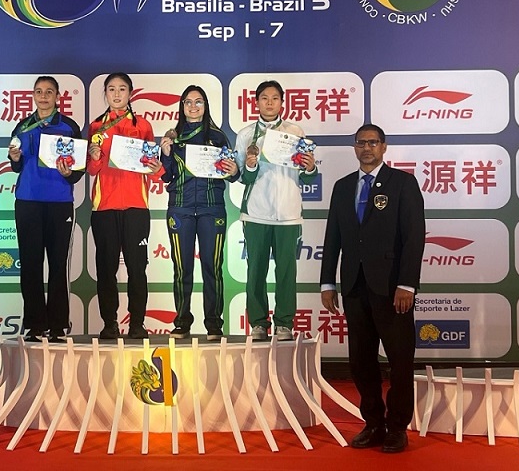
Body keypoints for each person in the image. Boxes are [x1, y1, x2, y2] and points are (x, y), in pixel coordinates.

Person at [320, 124, 425, 454]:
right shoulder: (343, 187)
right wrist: (327, 282)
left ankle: (397, 427)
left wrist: (407, 284)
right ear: (355, 148)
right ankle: (374, 423)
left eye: (373, 142)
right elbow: (333, 237)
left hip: (392, 288)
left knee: (400, 361)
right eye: (361, 143)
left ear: (384, 147)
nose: (367, 148)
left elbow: (414, 237)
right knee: (361, 361)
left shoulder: (403, 183)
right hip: (354, 286)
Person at [234, 80, 317, 341]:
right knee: (255, 271)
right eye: (264, 98)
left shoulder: (295, 132)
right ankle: (258, 323)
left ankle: (284, 324)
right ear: (256, 102)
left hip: (288, 213)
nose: (269, 103)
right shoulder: (246, 134)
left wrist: (310, 167)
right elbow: (242, 177)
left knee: (286, 273)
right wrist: (250, 165)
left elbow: (307, 175)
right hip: (256, 213)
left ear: (282, 102)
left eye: (275, 98)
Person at [159, 85, 239, 340]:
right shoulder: (173, 136)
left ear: (206, 106)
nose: (193, 107)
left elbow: (233, 175)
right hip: (180, 208)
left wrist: (234, 169)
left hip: (211, 208)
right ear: (182, 106)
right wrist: (166, 153)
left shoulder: (217, 136)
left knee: (212, 267)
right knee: (182, 268)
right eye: (188, 102)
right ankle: (182, 322)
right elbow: (166, 176)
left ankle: (214, 324)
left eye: (198, 102)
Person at [87, 72, 162, 339]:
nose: (117, 94)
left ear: (130, 93)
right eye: (111, 89)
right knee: (106, 269)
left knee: (137, 268)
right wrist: (95, 156)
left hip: (136, 208)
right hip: (104, 208)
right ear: (105, 93)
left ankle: (137, 323)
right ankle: (110, 323)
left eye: (122, 89)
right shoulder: (96, 126)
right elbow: (92, 170)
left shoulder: (143, 126)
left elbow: (154, 171)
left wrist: (156, 167)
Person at [8, 76, 83, 342]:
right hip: (28, 201)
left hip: (59, 202)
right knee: (30, 264)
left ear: (57, 96)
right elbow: (16, 164)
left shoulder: (69, 127)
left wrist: (70, 172)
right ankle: (35, 325)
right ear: (33, 96)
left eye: (49, 92)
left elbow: (78, 169)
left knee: (58, 265)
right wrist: (14, 158)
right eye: (39, 92)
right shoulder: (22, 126)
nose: (43, 96)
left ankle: (59, 325)